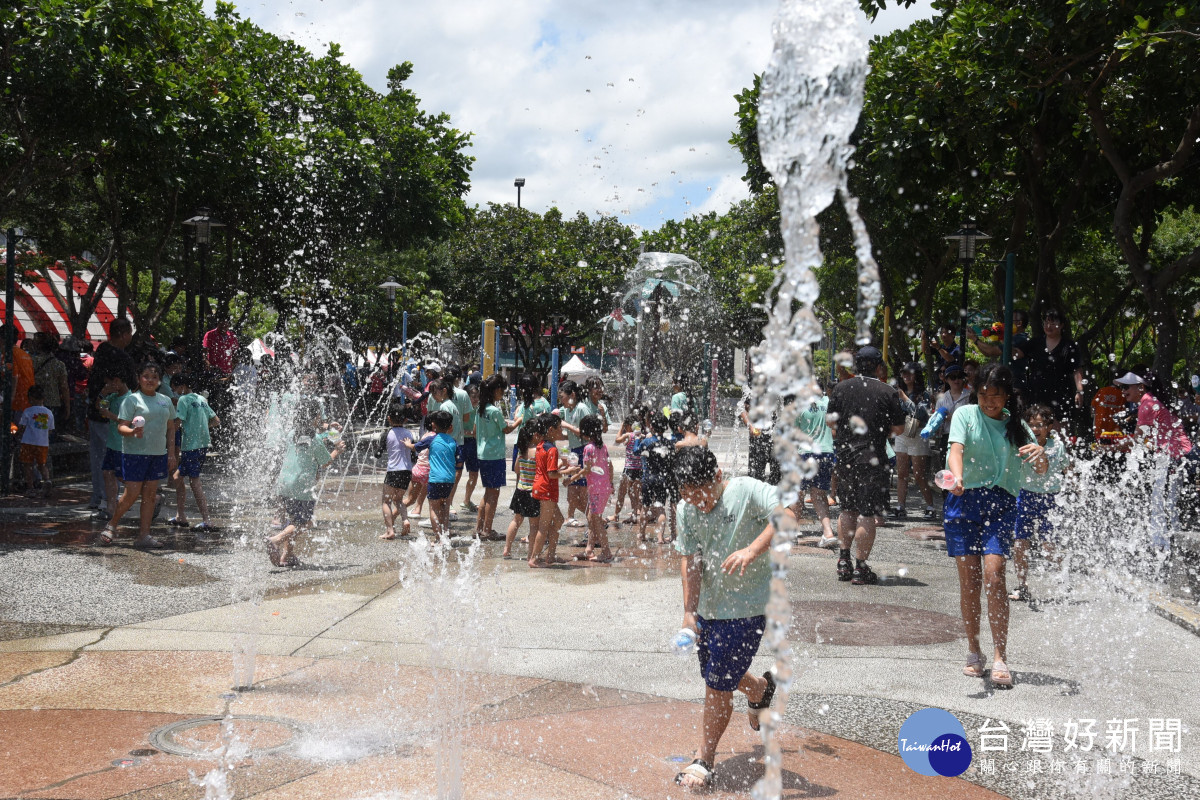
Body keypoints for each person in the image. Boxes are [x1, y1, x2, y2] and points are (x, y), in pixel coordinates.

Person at [671, 447, 793, 791]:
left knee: (716, 686)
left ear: (719, 477)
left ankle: (704, 759)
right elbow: (690, 561)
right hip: (709, 610)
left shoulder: (746, 490)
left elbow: (788, 513)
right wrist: (689, 613)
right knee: (718, 675)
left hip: (746, 609)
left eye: (701, 492)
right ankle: (760, 689)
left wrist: (753, 550)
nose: (697, 502)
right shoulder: (686, 509)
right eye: (687, 495)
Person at [943, 363, 1047, 689]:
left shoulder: (1017, 427)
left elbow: (1041, 468)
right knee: (970, 582)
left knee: (995, 574)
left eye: (996, 395)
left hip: (1001, 505)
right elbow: (955, 450)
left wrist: (1041, 454)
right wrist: (957, 476)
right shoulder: (966, 415)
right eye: (984, 394)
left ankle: (1000, 654)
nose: (989, 401)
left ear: (1007, 395)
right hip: (963, 502)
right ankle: (974, 651)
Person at [827, 346, 906, 585]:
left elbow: (830, 423)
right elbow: (899, 429)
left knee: (847, 509)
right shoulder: (887, 391)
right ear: (879, 367)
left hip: (846, 458)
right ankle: (861, 567)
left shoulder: (840, 388)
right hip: (872, 459)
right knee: (867, 514)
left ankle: (843, 561)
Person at [94, 361, 178, 549]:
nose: (150, 380)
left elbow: (171, 427)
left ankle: (144, 535)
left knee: (149, 495)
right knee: (131, 493)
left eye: (154, 377)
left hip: (157, 454)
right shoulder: (132, 400)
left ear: (159, 380)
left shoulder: (165, 400)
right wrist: (131, 432)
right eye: (146, 376)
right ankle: (112, 525)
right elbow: (121, 426)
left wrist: (171, 453)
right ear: (139, 378)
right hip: (134, 454)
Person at [1115, 370, 1194, 550]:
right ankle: (1169, 544)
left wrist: (1108, 448)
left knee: (1161, 500)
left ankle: (1163, 546)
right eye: (1121, 387)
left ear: (1141, 387)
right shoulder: (1150, 401)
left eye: (1126, 387)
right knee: (1167, 501)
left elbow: (1136, 439)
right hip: (1179, 455)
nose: (1123, 391)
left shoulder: (1147, 404)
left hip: (1175, 456)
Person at [267, 401, 346, 567]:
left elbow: (316, 439)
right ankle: (276, 540)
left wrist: (330, 431)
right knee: (306, 522)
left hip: (284, 484)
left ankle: (287, 555)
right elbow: (325, 461)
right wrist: (337, 450)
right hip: (301, 487)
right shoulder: (314, 439)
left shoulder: (292, 433)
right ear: (315, 417)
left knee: (294, 520)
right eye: (319, 416)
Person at [1010, 404, 1068, 602]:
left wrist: (1075, 486)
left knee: (1047, 546)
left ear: (1049, 426)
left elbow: (1066, 468)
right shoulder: (1023, 443)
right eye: (1031, 425)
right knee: (1020, 543)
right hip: (1025, 495)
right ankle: (1022, 585)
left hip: (1051, 498)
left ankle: (1063, 575)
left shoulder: (1057, 446)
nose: (1035, 429)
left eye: (1040, 425)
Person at [86, 319, 136, 511]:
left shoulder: (101, 351)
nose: (130, 338)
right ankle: (117, 498)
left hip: (98, 412)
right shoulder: (123, 358)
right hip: (117, 415)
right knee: (116, 460)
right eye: (130, 333)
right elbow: (132, 384)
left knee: (99, 457)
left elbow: (96, 382)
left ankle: (100, 497)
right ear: (123, 334)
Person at [168, 374, 220, 531]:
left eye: (175, 388)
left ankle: (207, 520)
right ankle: (180, 516)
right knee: (177, 476)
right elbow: (216, 420)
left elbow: (177, 423)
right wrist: (201, 429)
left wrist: (166, 434)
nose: (174, 392)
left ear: (181, 386)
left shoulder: (183, 400)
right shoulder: (201, 399)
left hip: (190, 447)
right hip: (202, 445)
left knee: (194, 481)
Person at [1015, 308, 1084, 427]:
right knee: (1035, 427)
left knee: (1060, 433)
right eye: (1046, 322)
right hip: (1036, 393)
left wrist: (1079, 391)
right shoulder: (1036, 342)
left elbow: (1077, 370)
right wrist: (1004, 340)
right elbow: (1017, 354)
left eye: (1053, 323)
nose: (1048, 326)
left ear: (1062, 325)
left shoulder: (1069, 345)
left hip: (1061, 394)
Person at [473, 374, 517, 540]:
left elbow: (476, 430)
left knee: (487, 492)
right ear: (497, 390)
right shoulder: (494, 411)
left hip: (483, 454)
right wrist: (519, 420)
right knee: (494, 494)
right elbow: (507, 429)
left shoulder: (480, 409)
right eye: (502, 391)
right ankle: (487, 530)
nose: (503, 394)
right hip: (495, 456)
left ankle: (479, 528)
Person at [793, 381, 837, 547]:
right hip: (826, 453)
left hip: (805, 453)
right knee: (819, 495)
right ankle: (828, 533)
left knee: (798, 492)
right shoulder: (827, 403)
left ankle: (794, 530)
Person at [568, 414, 613, 562]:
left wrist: (571, 479)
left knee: (597, 520)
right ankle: (589, 549)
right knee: (591, 517)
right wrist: (610, 484)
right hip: (604, 488)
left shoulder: (588, 448)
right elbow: (610, 466)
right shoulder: (602, 446)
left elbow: (586, 470)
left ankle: (606, 552)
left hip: (596, 490)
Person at [893, 362, 936, 519]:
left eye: (910, 373)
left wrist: (904, 397)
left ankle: (930, 506)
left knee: (919, 475)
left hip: (917, 435)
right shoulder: (897, 392)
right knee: (902, 473)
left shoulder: (923, 394)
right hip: (901, 434)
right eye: (904, 373)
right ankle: (900, 506)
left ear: (916, 375)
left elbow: (920, 413)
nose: (906, 376)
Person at [527, 413, 566, 567]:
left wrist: (562, 466)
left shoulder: (540, 445)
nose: (562, 431)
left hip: (538, 486)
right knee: (544, 526)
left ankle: (550, 555)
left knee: (558, 520)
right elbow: (551, 474)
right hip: (547, 490)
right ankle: (534, 559)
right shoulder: (552, 450)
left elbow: (546, 469)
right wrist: (568, 472)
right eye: (560, 428)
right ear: (551, 429)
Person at [503, 416, 543, 560]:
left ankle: (507, 549)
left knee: (516, 520)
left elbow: (516, 470)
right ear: (535, 434)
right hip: (533, 492)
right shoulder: (537, 452)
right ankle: (530, 554)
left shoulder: (522, 450)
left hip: (520, 490)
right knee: (534, 525)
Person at [414, 409, 457, 537]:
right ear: (450, 427)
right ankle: (445, 533)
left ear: (433, 425)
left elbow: (416, 447)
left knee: (434, 508)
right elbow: (459, 461)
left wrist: (407, 444)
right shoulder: (453, 442)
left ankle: (438, 537)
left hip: (434, 480)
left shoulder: (431, 439)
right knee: (445, 507)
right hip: (449, 480)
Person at [376, 402, 415, 540]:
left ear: (389, 418)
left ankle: (389, 531)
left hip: (393, 470)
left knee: (386, 501)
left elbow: (378, 453)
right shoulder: (408, 433)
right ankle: (405, 520)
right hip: (407, 471)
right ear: (405, 419)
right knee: (399, 499)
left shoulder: (387, 434)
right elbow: (413, 455)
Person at [96, 373, 132, 517]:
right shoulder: (113, 397)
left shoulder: (129, 399)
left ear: (117, 381)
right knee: (107, 473)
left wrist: (110, 415)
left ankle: (152, 497)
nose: (108, 387)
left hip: (123, 445)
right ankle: (111, 508)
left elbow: (128, 422)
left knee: (124, 478)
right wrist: (102, 394)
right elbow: (98, 406)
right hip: (112, 443)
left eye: (109, 384)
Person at [555, 379, 590, 528]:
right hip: (574, 452)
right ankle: (594, 520)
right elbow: (571, 435)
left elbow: (588, 434)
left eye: (562, 397)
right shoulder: (568, 410)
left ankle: (595, 522)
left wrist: (567, 426)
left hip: (584, 451)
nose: (561, 400)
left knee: (582, 494)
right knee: (571, 495)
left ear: (572, 395)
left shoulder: (582, 408)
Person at [635, 412, 673, 544]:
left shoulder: (647, 441)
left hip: (648, 478)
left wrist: (636, 439)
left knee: (645, 507)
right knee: (661, 507)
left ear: (651, 427)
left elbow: (636, 451)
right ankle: (660, 538)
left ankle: (641, 535)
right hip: (662, 479)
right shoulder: (668, 443)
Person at [16, 386, 54, 497]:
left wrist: (18, 436)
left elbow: (22, 427)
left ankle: (30, 488)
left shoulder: (28, 411)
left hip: (28, 442)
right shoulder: (49, 413)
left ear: (30, 398)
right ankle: (47, 480)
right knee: (42, 464)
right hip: (42, 443)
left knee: (28, 465)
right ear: (44, 398)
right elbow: (51, 430)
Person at [607, 411, 644, 526]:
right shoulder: (641, 436)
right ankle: (634, 515)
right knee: (634, 494)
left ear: (628, 426)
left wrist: (621, 427)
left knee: (621, 493)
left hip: (629, 469)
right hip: (639, 469)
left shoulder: (628, 435)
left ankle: (616, 515)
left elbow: (617, 440)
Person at [30, 333, 69, 438]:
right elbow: (64, 387)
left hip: (34, 400)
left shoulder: (31, 361)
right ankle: (46, 451)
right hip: (52, 402)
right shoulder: (59, 365)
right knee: (47, 433)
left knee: (34, 432)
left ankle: (35, 450)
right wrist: (67, 407)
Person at [740, 387, 780, 485]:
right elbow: (743, 410)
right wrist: (750, 425)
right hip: (758, 439)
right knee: (755, 478)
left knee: (778, 477)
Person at [459, 377, 481, 514]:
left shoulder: (479, 409)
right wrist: (469, 432)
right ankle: (448, 503)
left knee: (474, 473)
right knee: (457, 473)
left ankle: (466, 500)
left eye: (477, 397)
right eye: (473, 397)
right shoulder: (461, 408)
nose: (476, 399)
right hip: (461, 442)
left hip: (473, 443)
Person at [201, 314, 239, 378]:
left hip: (228, 370)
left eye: (225, 325)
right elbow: (204, 351)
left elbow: (235, 352)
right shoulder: (210, 334)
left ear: (228, 325)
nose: (223, 327)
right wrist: (207, 363)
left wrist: (234, 365)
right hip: (213, 369)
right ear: (217, 324)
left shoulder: (232, 336)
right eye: (221, 325)